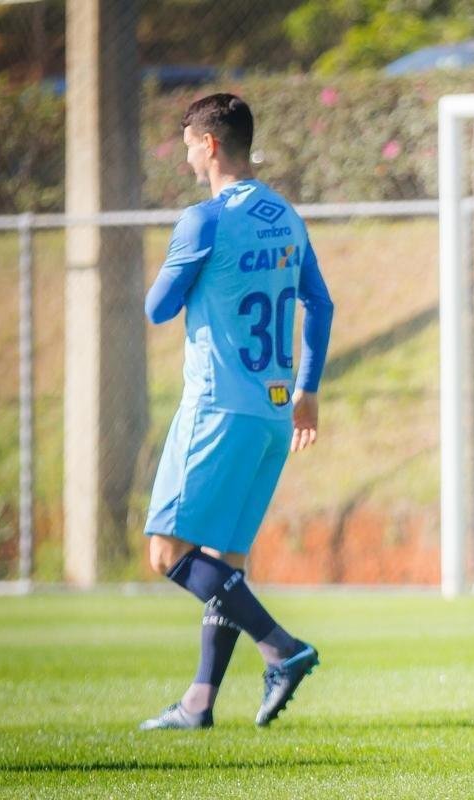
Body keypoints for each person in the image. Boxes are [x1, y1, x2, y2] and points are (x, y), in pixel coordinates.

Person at [138, 93, 334, 731]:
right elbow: (320, 306)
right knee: (225, 558)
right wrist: (308, 389)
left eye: (189, 142)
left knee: (168, 552)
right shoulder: (286, 216)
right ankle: (199, 701)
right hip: (276, 413)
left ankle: (281, 648)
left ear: (211, 144)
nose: (187, 153)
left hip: (217, 408)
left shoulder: (202, 221)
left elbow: (158, 309)